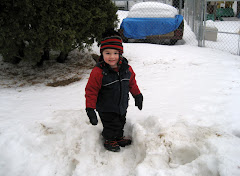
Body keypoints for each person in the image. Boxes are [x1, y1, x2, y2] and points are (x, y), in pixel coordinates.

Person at [85, 34, 143, 152]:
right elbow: (91, 90)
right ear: (102, 54)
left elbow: (131, 83)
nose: (112, 57)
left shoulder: (127, 69)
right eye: (108, 53)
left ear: (120, 54)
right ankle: (109, 140)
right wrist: (90, 109)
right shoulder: (99, 72)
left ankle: (118, 137)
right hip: (106, 107)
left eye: (115, 53)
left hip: (121, 104)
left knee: (121, 121)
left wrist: (137, 95)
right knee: (110, 125)